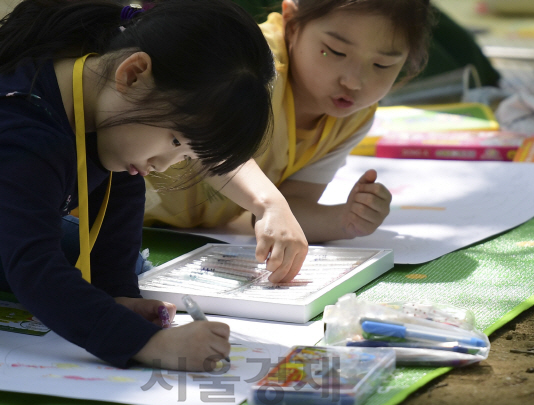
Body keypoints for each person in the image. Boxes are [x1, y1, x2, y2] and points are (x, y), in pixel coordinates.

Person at [0, 0, 309, 371]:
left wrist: (117, 297)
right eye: (175, 141)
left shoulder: (109, 112)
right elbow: (35, 271)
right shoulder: (19, 130)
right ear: (133, 73)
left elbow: (114, 222)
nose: (164, 165)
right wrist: (149, 345)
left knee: (114, 268)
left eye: (185, 155)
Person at [143, 0, 435, 242]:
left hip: (168, 236)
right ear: (292, 24)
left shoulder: (352, 118)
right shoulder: (251, 62)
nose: (354, 82)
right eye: (334, 51)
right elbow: (210, 144)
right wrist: (268, 201)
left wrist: (344, 220)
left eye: (382, 65)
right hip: (110, 204)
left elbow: (291, 205)